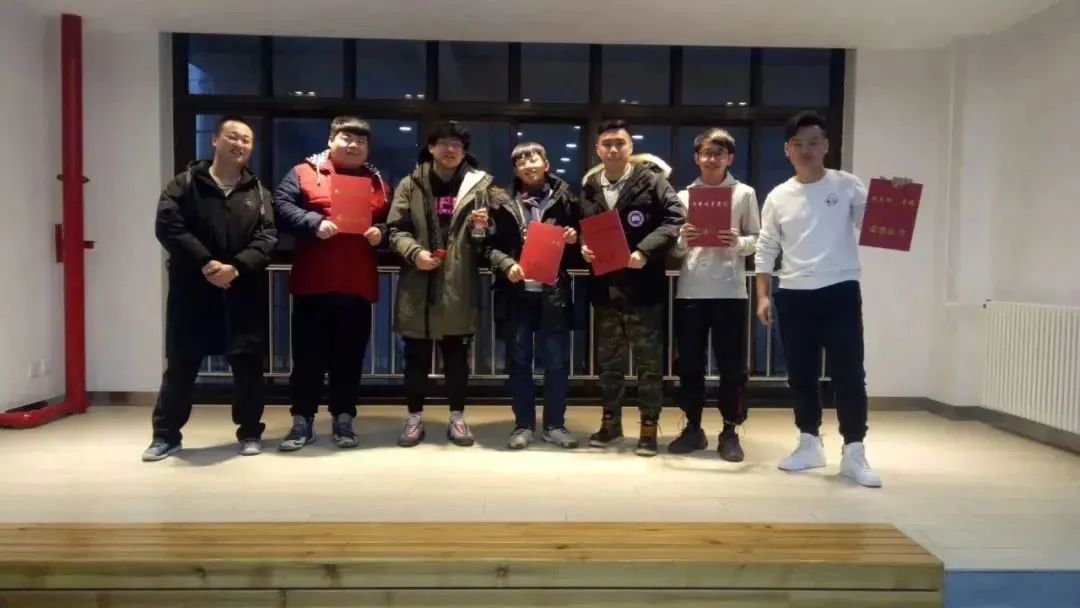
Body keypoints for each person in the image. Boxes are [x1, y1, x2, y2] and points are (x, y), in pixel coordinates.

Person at [754, 110, 881, 487]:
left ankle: (854, 450)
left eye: (813, 142)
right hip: (794, 293)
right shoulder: (778, 196)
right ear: (787, 150)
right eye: (798, 144)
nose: (806, 150)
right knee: (801, 375)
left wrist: (896, 197)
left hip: (840, 289)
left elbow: (874, 225)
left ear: (826, 146)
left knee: (849, 373)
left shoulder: (847, 185)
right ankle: (809, 442)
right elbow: (766, 246)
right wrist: (762, 295)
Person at [143, 116, 277, 461]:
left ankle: (250, 432)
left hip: (243, 290)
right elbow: (169, 226)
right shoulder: (185, 184)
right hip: (193, 290)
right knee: (182, 363)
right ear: (215, 140)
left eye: (246, 140)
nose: (240, 144)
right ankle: (165, 435)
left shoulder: (259, 192)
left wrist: (237, 267)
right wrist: (206, 263)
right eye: (233, 137)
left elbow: (267, 238)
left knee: (248, 365)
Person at [271, 116, 390, 451]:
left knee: (349, 359)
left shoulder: (378, 182)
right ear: (331, 140)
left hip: (357, 284)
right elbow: (279, 207)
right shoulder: (303, 172)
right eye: (346, 138)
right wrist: (312, 222)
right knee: (307, 359)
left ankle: (344, 419)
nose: (353, 145)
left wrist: (383, 233)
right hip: (314, 283)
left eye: (360, 141)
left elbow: (396, 222)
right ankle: (302, 421)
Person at [387, 121, 499, 447]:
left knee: (456, 358)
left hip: (458, 283)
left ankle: (457, 418)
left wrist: (482, 228)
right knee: (416, 357)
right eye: (444, 143)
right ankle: (414, 418)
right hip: (418, 283)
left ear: (464, 151)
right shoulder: (410, 184)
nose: (450, 150)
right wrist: (415, 253)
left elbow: (486, 239)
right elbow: (395, 229)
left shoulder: (479, 187)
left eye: (457, 145)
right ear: (432, 147)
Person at [579, 119, 684, 457]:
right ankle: (610, 423)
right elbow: (582, 226)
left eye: (620, 143)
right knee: (608, 362)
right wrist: (583, 247)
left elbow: (675, 218)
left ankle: (649, 427)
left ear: (630, 147)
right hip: (605, 288)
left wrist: (645, 250)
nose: (613, 149)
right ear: (598, 149)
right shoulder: (590, 186)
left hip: (643, 288)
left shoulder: (651, 181)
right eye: (607, 144)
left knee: (648, 363)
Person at [669, 128, 760, 462]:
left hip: (730, 290)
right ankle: (693, 427)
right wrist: (683, 240)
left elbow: (757, 239)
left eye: (719, 153)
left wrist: (738, 242)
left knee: (732, 366)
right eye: (706, 153)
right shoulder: (683, 196)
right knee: (689, 364)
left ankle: (730, 430)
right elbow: (675, 251)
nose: (712, 159)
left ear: (729, 158)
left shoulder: (744, 194)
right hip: (691, 289)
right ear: (696, 158)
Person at [483, 142, 581, 450]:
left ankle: (555, 425)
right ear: (515, 170)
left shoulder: (567, 198)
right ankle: (523, 425)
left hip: (553, 291)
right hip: (516, 292)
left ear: (546, 164)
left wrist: (574, 240)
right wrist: (506, 264)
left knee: (556, 363)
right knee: (519, 362)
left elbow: (582, 248)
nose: (528, 164)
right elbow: (487, 247)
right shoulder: (500, 202)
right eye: (521, 161)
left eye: (533, 158)